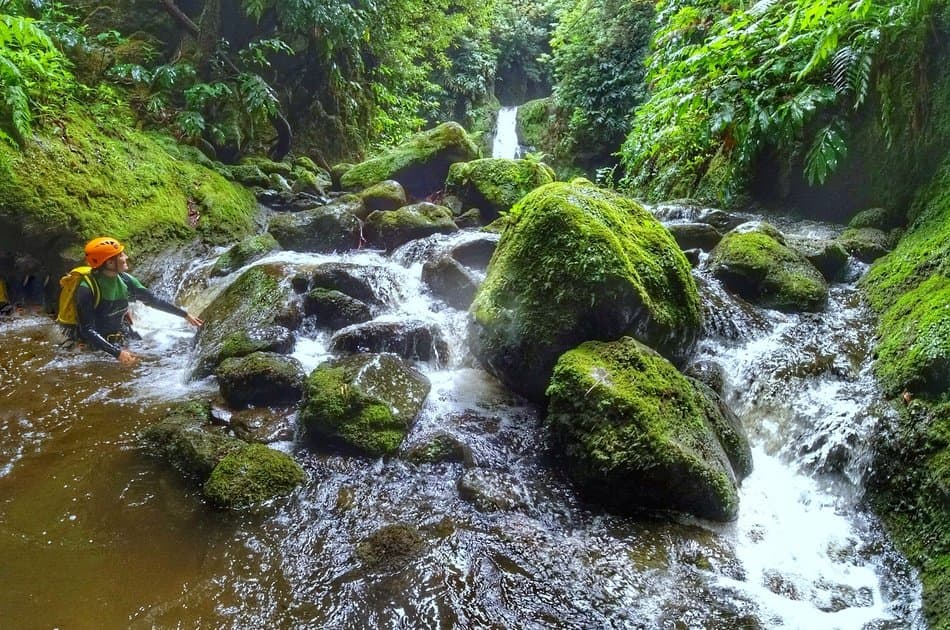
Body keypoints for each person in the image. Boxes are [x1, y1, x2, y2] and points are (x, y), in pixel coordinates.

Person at [72, 237, 203, 365]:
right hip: (96, 344)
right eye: (121, 255)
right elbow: (88, 330)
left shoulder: (126, 280)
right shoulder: (87, 289)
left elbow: (153, 300)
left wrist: (184, 315)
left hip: (121, 335)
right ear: (109, 263)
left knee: (155, 358)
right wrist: (117, 353)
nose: (126, 257)